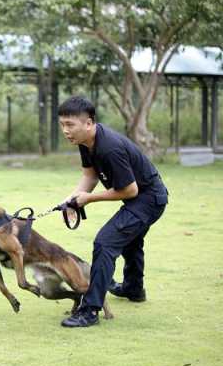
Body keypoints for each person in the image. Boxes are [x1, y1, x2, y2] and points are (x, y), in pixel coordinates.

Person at [57, 96, 168, 328]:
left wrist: (88, 199)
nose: (65, 131)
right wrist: (73, 198)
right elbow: (90, 175)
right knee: (130, 240)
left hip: (148, 199)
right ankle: (134, 289)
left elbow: (129, 190)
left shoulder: (109, 148)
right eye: (62, 125)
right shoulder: (86, 142)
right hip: (141, 197)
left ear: (89, 123)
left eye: (70, 125)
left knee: (105, 243)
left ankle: (90, 310)